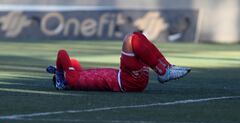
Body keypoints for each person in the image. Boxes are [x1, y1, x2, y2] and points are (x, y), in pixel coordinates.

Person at [46, 31, 191, 92]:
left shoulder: (76, 76)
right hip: (127, 80)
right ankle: (164, 71)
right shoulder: (72, 80)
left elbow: (73, 62)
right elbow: (62, 54)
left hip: (131, 79)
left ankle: (165, 68)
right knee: (131, 39)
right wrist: (59, 72)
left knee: (138, 37)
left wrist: (63, 69)